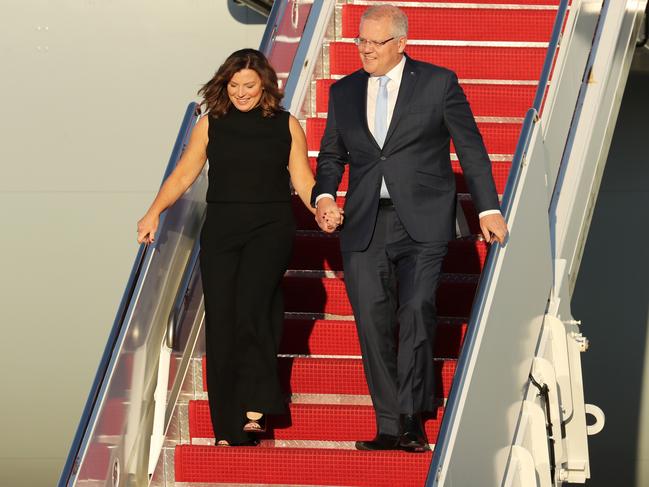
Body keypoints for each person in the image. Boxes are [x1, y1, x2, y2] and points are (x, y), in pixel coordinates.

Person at [312, 5, 508, 452]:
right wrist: (325, 197)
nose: (364, 49)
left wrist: (487, 209)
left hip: (423, 219)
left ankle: (410, 418)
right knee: (372, 322)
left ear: (401, 42)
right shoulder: (343, 92)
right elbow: (331, 155)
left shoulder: (439, 83)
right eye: (360, 40)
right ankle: (387, 423)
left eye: (374, 42)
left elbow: (471, 149)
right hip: (363, 223)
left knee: (417, 311)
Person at [137, 49, 315, 446]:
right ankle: (227, 424)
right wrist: (153, 213)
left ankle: (255, 406)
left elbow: (302, 178)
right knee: (220, 320)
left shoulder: (286, 125)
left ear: (265, 85)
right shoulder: (210, 124)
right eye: (233, 86)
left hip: (270, 227)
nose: (241, 93)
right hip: (222, 229)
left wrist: (323, 205)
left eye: (248, 85)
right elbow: (184, 173)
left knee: (252, 306)